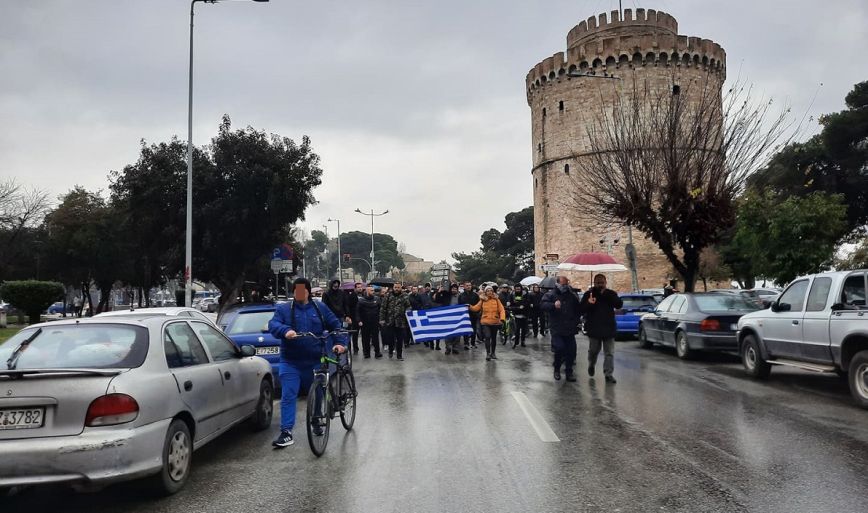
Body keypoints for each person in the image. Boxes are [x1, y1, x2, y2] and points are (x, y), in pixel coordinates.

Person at [268, 277, 346, 448]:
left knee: (318, 392)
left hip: (315, 360)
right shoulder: (284, 309)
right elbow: (273, 324)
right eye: (296, 290)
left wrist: (340, 343)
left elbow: (336, 325)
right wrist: (285, 330)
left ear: (308, 291)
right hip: (291, 361)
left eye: (302, 290)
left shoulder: (320, 308)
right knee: (288, 395)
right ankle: (286, 432)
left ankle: (317, 420)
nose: (299, 294)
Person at [582, 273, 623, 384]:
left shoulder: (611, 294)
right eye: (598, 283)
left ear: (605, 283)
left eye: (602, 283)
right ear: (594, 283)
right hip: (594, 328)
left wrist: (609, 296)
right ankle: (591, 364)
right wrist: (589, 304)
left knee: (609, 353)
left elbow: (619, 304)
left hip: (608, 328)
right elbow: (581, 310)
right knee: (594, 351)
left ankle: (608, 374)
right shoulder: (589, 294)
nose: (600, 285)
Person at [540, 276, 582, 381]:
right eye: (563, 284)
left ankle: (569, 373)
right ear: (557, 284)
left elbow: (578, 309)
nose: (565, 286)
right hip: (557, 328)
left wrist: (577, 321)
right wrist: (553, 305)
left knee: (571, 351)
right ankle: (557, 369)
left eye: (567, 284)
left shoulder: (571, 295)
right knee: (559, 348)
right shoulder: (551, 294)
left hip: (570, 328)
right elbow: (543, 305)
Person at [469, 286, 506, 361]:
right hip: (485, 322)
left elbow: (502, 310)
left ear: (493, 292)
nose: (489, 292)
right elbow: (476, 308)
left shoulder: (496, 300)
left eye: (491, 290)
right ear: (485, 292)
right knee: (487, 336)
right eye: (488, 291)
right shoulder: (482, 300)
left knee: (494, 338)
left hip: (495, 322)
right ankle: (488, 353)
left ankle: (493, 353)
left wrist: (502, 319)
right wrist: (469, 306)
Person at [379, 283, 411, 360]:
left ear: (401, 288)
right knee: (390, 338)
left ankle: (399, 355)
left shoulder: (405, 296)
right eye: (395, 287)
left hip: (401, 322)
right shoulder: (388, 295)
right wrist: (382, 319)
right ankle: (390, 351)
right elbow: (383, 308)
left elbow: (409, 306)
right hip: (390, 321)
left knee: (400, 339)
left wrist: (408, 310)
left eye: (398, 287)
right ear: (393, 288)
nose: (396, 289)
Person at [356, 285, 383, 359]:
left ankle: (377, 352)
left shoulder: (377, 299)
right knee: (365, 338)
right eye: (371, 290)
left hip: (375, 321)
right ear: (367, 291)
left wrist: (381, 319)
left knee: (375, 338)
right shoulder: (361, 300)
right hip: (365, 322)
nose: (373, 292)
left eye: (373, 290)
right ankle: (366, 353)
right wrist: (359, 320)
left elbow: (381, 310)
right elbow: (357, 311)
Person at [458, 281, 480, 349]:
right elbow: (459, 305)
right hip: (465, 315)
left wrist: (477, 312)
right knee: (465, 330)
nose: (468, 286)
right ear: (464, 286)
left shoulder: (475, 295)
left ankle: (473, 343)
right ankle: (466, 343)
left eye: (470, 285)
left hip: (474, 315)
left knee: (474, 330)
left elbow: (478, 305)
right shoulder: (461, 295)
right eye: (467, 285)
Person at [443, 283, 463, 355]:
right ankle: (448, 347)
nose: (454, 290)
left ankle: (455, 347)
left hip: (457, 318)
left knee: (457, 333)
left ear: (457, 290)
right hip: (448, 318)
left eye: (455, 289)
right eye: (452, 289)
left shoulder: (460, 297)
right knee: (447, 333)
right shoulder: (447, 296)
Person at [345, 283, 363, 355]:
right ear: (355, 288)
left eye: (361, 287)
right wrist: (348, 316)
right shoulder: (351, 296)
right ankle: (353, 348)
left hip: (361, 317)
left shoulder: (363, 295)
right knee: (352, 334)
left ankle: (357, 348)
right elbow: (349, 307)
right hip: (353, 317)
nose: (360, 288)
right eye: (358, 287)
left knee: (358, 334)